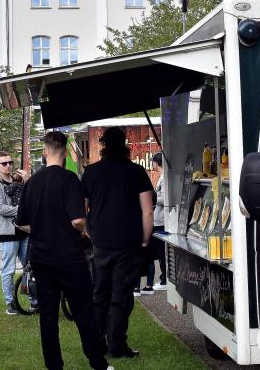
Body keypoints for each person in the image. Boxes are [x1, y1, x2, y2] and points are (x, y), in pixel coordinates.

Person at [15, 131, 113, 370]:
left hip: (41, 256)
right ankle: (97, 362)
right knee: (83, 312)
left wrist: (40, 229)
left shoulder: (32, 182)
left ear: (45, 151)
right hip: (68, 257)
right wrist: (78, 231)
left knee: (48, 316)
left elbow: (20, 222)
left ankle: (54, 366)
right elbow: (78, 220)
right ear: (65, 150)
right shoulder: (69, 180)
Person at [82, 127, 154, 359]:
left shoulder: (90, 172)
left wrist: (91, 233)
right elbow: (147, 211)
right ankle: (117, 344)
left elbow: (81, 211)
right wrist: (144, 239)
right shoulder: (137, 172)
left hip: (101, 242)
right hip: (128, 241)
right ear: (126, 144)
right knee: (121, 297)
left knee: (99, 295)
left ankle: (98, 343)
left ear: (103, 145)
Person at [0, 151, 30, 315]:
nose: (8, 166)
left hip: (24, 231)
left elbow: (30, 197)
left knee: (30, 266)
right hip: (7, 233)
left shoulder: (17, 180)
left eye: (10, 162)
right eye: (4, 163)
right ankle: (10, 302)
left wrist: (27, 180)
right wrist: (20, 210)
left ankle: (34, 299)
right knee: (8, 270)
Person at [150, 153, 167, 291]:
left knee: (162, 252)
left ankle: (164, 279)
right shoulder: (162, 178)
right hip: (158, 219)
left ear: (156, 163)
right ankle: (163, 277)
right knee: (160, 252)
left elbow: (166, 198)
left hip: (161, 220)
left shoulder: (165, 178)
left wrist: (153, 198)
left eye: (153, 162)